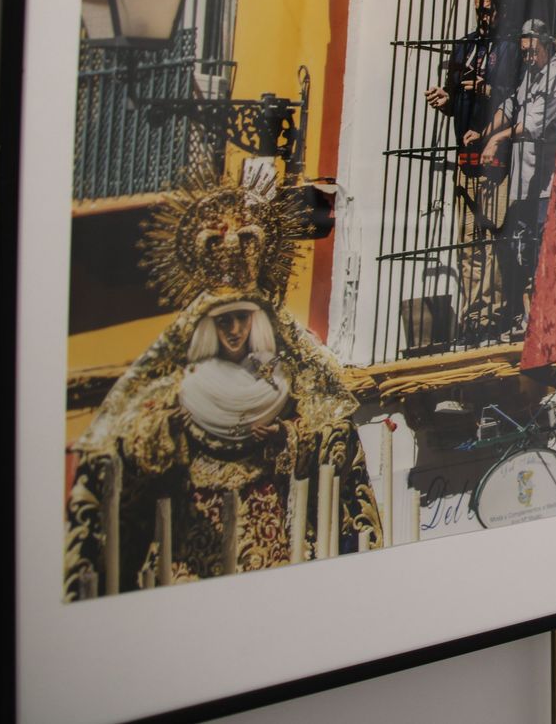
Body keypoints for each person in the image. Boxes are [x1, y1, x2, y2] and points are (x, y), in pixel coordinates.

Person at [64, 173, 380, 597]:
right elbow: (121, 455)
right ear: (207, 324)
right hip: (189, 546)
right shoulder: (174, 378)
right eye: (223, 320)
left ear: (257, 319)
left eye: (242, 318)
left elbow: (333, 439)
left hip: (276, 545)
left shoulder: (289, 370)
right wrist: (165, 432)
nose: (234, 330)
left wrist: (285, 439)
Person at [424, 0, 517, 339]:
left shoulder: (508, 49)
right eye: (479, 10)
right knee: (466, 242)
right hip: (464, 158)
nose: (484, 17)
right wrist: (443, 100)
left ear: (501, 10)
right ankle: (472, 314)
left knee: (489, 238)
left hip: (494, 161)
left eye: (489, 10)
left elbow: (514, 99)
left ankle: (490, 315)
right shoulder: (464, 45)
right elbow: (453, 96)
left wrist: (485, 89)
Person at [467, 18, 556, 333]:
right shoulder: (530, 74)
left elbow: (536, 126)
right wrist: (485, 132)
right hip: (522, 180)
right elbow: (511, 105)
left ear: (545, 45)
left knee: (539, 248)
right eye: (523, 52)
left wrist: (499, 139)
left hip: (543, 181)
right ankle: (525, 315)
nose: (526, 58)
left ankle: (538, 318)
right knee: (519, 247)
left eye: (531, 51)